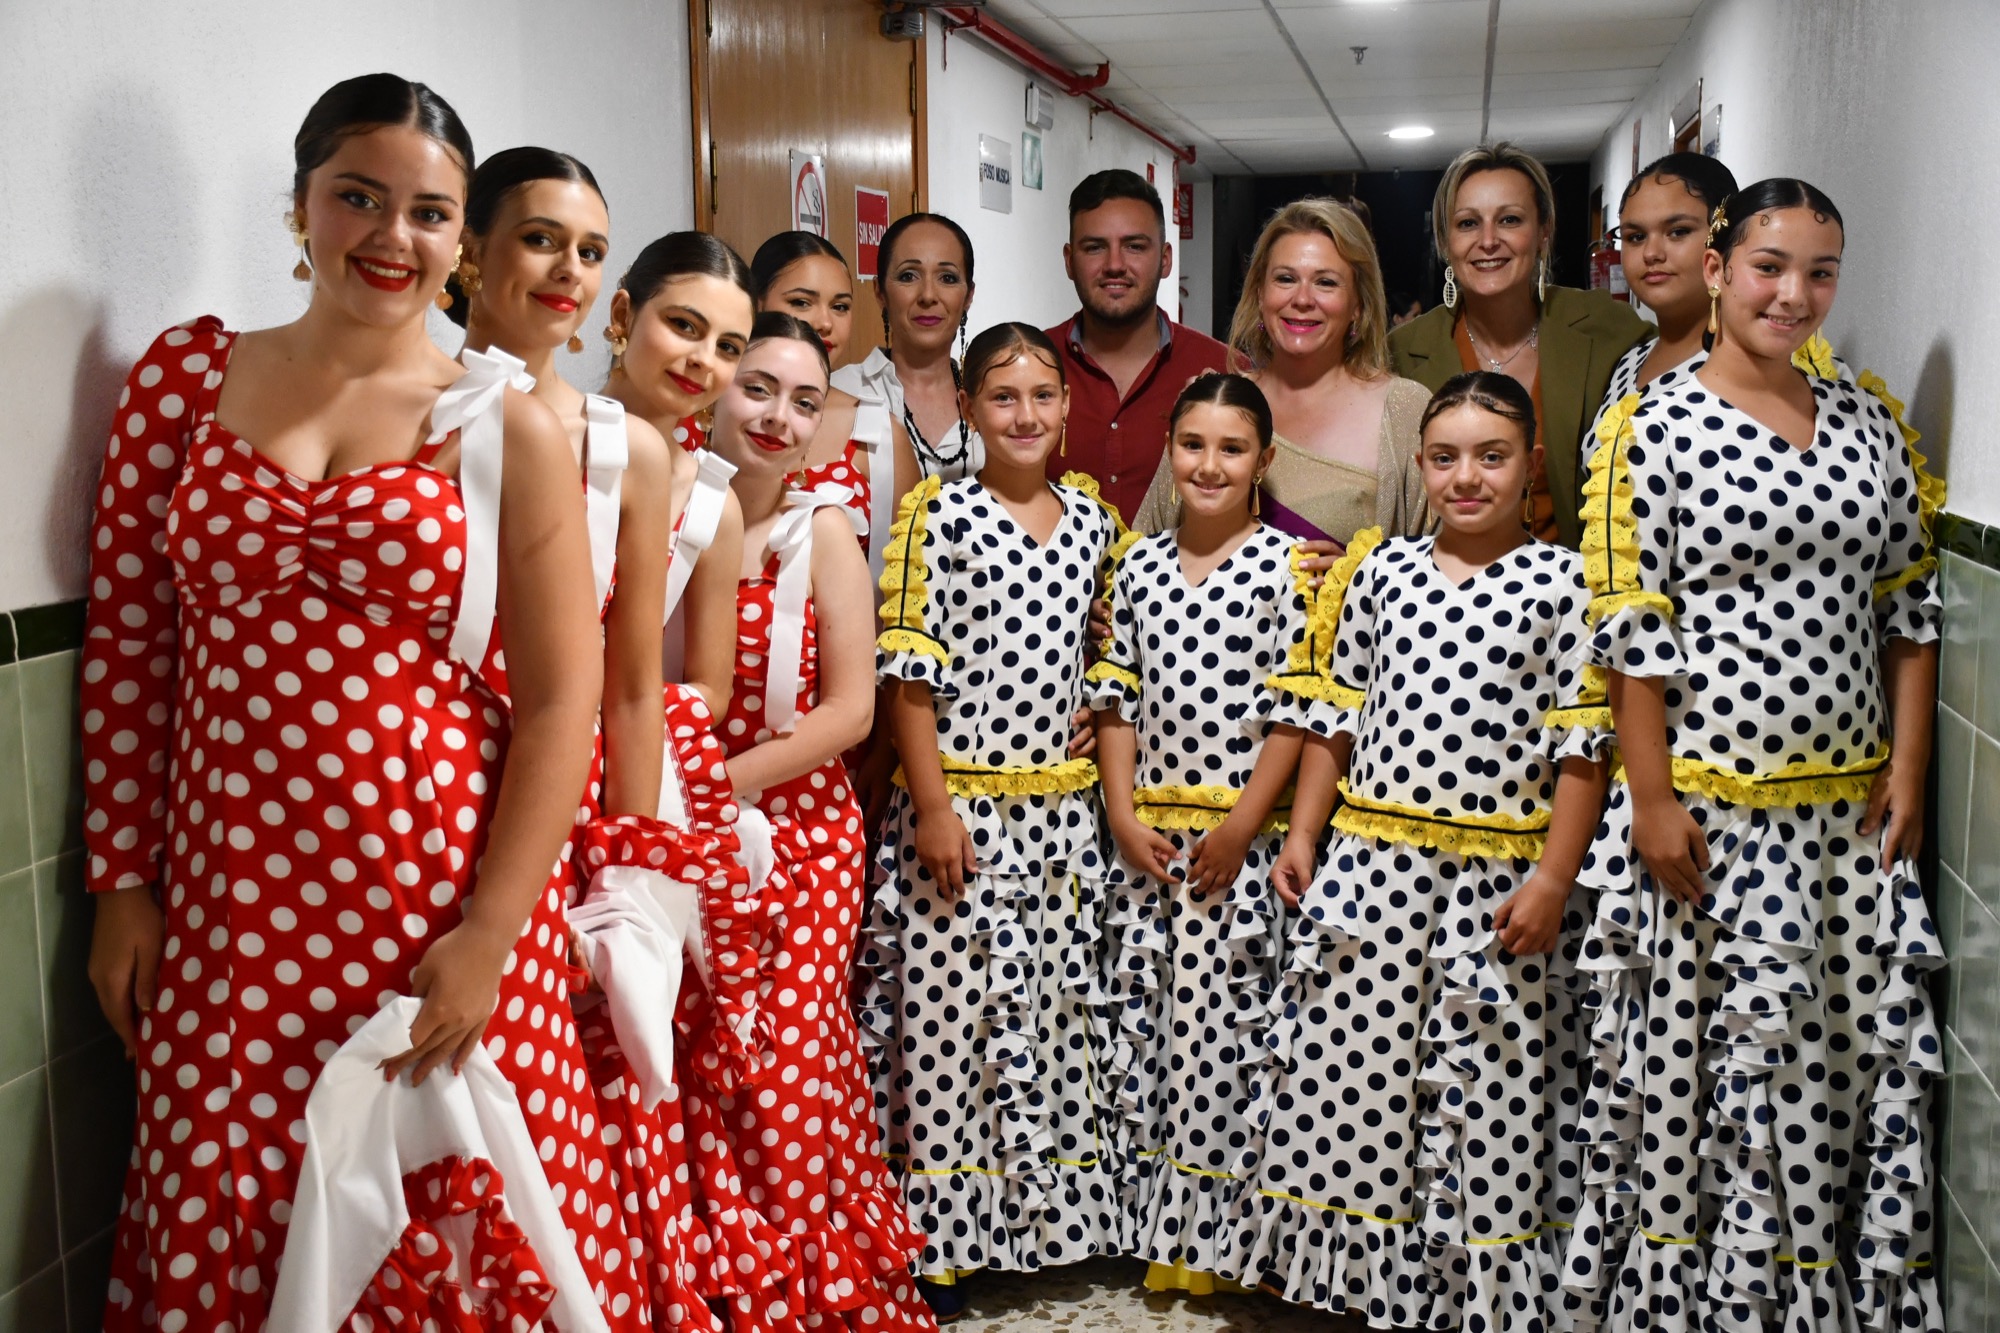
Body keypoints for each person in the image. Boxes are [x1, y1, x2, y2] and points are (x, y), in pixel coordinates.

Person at [81, 74, 650, 1330]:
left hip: (434, 894)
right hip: (231, 907)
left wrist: (492, 933)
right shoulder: (183, 381)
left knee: (453, 1224)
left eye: (430, 213)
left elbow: (563, 702)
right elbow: (131, 641)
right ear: (300, 205)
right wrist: (121, 882)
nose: (393, 237)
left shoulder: (502, 424)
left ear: (460, 241)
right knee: (236, 1194)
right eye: (358, 197)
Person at [1564, 179, 1945, 1332]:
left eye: (1819, 273)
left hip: (1842, 824)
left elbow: (1906, 606)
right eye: (1769, 266)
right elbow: (1628, 631)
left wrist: (1908, 768)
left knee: (1826, 1070)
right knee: (1701, 1078)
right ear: (1718, 269)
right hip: (1707, 816)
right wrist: (1648, 799)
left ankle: (1797, 1301)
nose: (1792, 294)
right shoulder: (1651, 425)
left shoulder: (1865, 423)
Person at [1230, 371, 1609, 1328]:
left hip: (1498, 883)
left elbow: (1583, 750)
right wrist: (1305, 833)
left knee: (1487, 1082)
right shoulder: (1381, 572)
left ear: (1532, 466)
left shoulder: (1567, 585)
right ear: (1419, 464)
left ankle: (1470, 1286)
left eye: (1492, 457)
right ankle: (1357, 1280)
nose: (1466, 478)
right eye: (1444, 458)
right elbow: (1336, 719)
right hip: (1375, 870)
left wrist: (1554, 877)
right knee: (1357, 1072)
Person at [862, 323, 1126, 1316]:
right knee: (949, 1018)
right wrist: (931, 806)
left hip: (1057, 819)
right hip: (961, 810)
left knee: (1046, 1014)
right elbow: (909, 674)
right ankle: (942, 1236)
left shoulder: (1093, 521)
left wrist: (1096, 700)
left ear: (1065, 409)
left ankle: (1039, 1224)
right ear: (968, 409)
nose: (1025, 414)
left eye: (1042, 395)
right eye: (1003, 397)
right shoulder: (939, 515)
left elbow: (1108, 646)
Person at [705, 313, 937, 1333]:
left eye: (804, 401)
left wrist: (715, 784)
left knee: (785, 1062)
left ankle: (802, 1290)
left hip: (797, 828)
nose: (778, 417)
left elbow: (848, 712)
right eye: (758, 387)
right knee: (700, 1056)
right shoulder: (664, 507)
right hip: (676, 824)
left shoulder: (825, 529)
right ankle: (715, 1281)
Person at [1087, 372, 1306, 1291]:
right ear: (1170, 452)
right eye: (1192, 445)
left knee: (1226, 1036)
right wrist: (1121, 812)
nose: (1209, 465)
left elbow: (1296, 712)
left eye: (1232, 448)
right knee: (1149, 1031)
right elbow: (1117, 696)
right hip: (1150, 844)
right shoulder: (1137, 566)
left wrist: (1243, 826)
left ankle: (1221, 1243)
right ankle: (1153, 1225)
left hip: (1235, 849)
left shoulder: (1285, 568)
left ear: (1264, 460)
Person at [1391, 141, 1650, 547]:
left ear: (1544, 232)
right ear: (1445, 240)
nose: (1488, 240)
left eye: (1509, 220)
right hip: (1446, 580)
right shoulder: (1401, 353)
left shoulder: (1606, 329)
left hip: (1579, 578)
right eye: (1467, 223)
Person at [1132, 198, 1431, 550]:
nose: (1302, 299)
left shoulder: (1404, 409)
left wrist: (1356, 574)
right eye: (1286, 279)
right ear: (1260, 294)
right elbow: (1144, 550)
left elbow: (1441, 567)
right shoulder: (1211, 402)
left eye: (1326, 282)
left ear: (1358, 305)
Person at [601, 232, 754, 721]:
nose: (704, 359)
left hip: (624, 743)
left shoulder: (711, 503)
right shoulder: (544, 432)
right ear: (623, 314)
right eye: (684, 325)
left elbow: (712, 691)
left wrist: (615, 708)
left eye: (728, 347)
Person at [1044, 168, 1228, 523]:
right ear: (1069, 261)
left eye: (1134, 247)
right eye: (1095, 247)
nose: (1114, 265)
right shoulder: (1031, 366)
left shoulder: (1223, 369)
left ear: (1165, 259)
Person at [830, 212, 977, 523]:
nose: (928, 296)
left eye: (948, 278)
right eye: (908, 276)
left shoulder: (995, 399)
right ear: (880, 292)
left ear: (969, 296)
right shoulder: (837, 392)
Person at [752, 231, 884, 548]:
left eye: (840, 306)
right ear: (756, 304)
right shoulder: (704, 414)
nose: (824, 322)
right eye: (801, 302)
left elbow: (905, 567)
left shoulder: (876, 431)